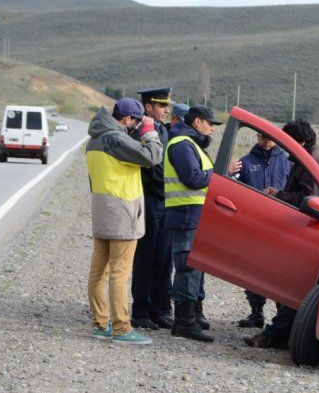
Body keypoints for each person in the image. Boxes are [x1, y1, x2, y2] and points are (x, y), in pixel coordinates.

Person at [245, 119, 319, 349]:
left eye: (288, 141)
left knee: (294, 286)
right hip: (304, 231)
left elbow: (308, 199)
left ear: (300, 142)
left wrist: (278, 195)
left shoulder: (311, 161)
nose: (284, 147)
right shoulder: (306, 158)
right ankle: (279, 333)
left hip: (308, 233)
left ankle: (275, 335)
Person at [85, 98, 163, 345]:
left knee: (98, 272)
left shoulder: (94, 140)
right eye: (136, 122)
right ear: (127, 119)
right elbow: (152, 157)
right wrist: (149, 132)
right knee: (119, 273)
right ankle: (121, 328)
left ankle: (100, 324)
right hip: (123, 214)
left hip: (102, 212)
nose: (136, 127)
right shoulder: (116, 139)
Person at [165, 105, 241, 342]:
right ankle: (184, 322)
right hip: (185, 215)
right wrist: (222, 172)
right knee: (187, 269)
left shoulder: (191, 144)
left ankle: (191, 317)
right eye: (210, 124)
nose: (212, 129)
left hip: (191, 215)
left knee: (193, 267)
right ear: (197, 122)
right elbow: (193, 178)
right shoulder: (182, 144)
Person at [235, 133, 291, 328]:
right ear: (257, 136)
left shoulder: (287, 162)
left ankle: (280, 318)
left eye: (269, 137)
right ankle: (256, 313)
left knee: (280, 272)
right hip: (254, 225)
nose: (266, 140)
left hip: (282, 226)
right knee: (253, 269)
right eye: (263, 137)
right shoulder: (245, 162)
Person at [130, 87, 174, 330]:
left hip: (164, 200)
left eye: (167, 105)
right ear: (148, 107)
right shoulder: (142, 131)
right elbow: (153, 166)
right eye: (162, 105)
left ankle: (159, 308)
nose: (166, 110)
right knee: (146, 258)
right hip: (149, 198)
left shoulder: (162, 130)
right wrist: (168, 188)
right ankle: (140, 310)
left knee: (163, 257)